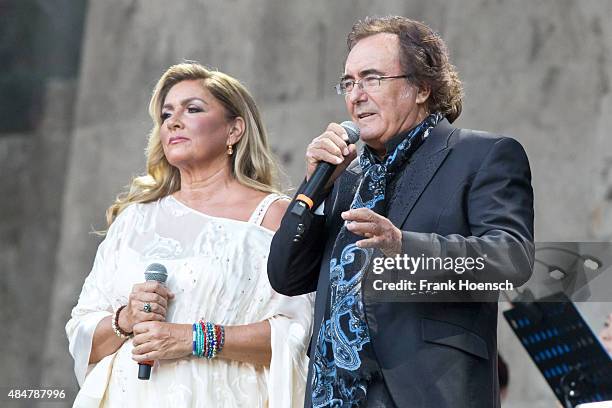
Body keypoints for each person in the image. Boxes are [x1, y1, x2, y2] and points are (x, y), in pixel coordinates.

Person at [268, 16, 534, 407]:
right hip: (334, 394)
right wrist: (316, 189)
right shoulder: (344, 180)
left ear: (422, 87)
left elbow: (511, 258)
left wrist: (402, 245)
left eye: (372, 78)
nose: (356, 95)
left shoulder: (481, 156)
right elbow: (285, 276)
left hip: (427, 390)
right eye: (348, 82)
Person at [66, 62, 314, 407]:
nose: (174, 121)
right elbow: (82, 334)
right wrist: (126, 319)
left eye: (192, 109)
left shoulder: (274, 216)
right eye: (166, 115)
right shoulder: (134, 219)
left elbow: (299, 333)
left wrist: (195, 338)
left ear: (234, 130)